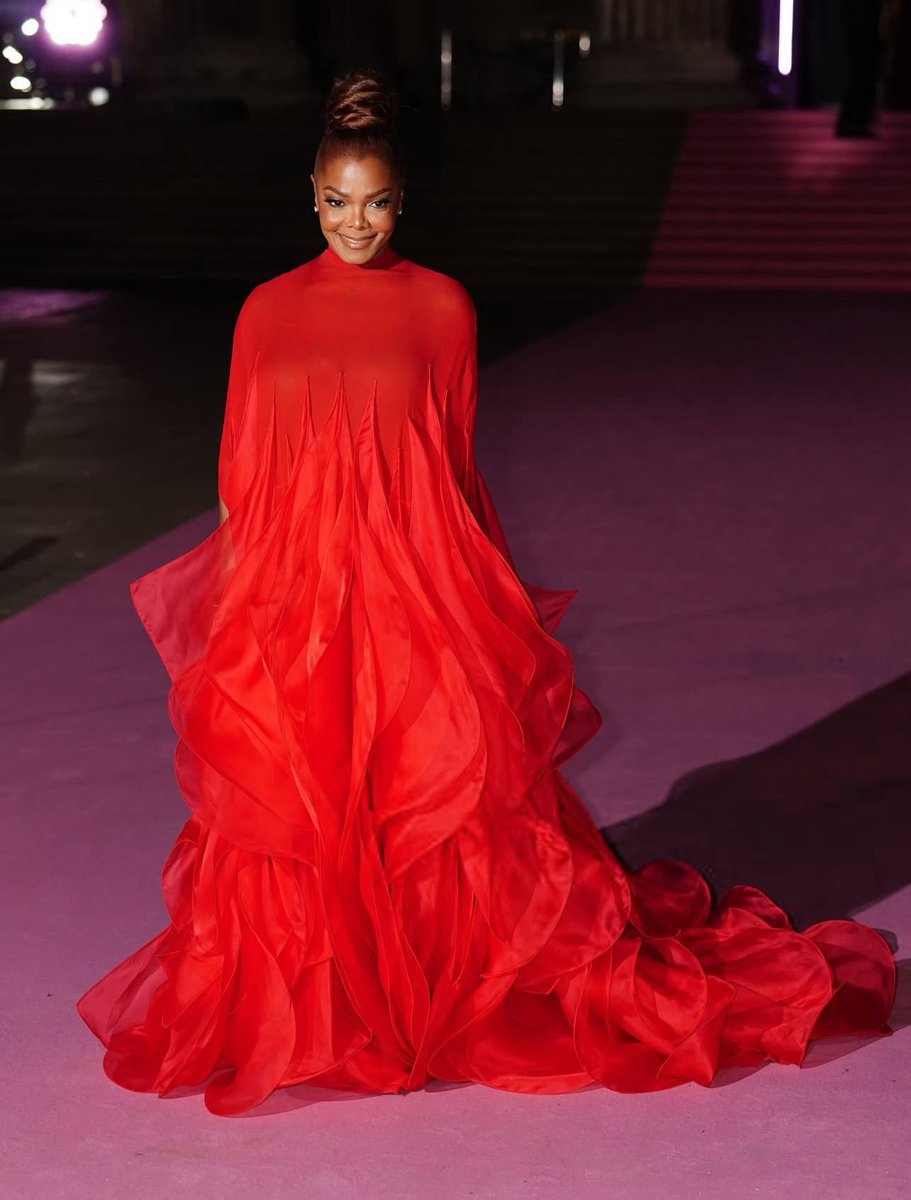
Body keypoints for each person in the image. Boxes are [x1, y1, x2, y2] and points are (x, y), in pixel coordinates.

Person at [76, 69, 896, 1117]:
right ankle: (333, 995)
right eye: (337, 202)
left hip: (410, 584)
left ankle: (436, 981)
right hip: (298, 590)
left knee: (428, 788)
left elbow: (454, 466)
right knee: (304, 794)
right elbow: (239, 470)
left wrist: (479, 602)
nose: (355, 223)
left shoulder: (440, 306)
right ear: (310, 197)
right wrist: (251, 603)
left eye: (376, 203)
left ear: (402, 201)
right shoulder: (266, 310)